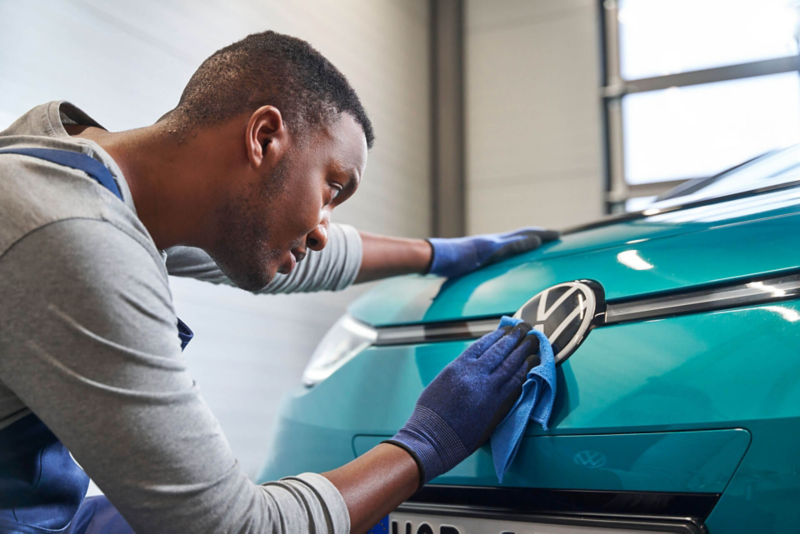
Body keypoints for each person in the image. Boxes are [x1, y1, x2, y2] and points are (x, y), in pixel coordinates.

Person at [0, 31, 557, 533]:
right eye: (333, 189)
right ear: (265, 137)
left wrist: (437, 254)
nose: (322, 229)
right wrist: (427, 443)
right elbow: (232, 527)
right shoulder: (75, 236)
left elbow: (300, 253)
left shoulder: (63, 152)